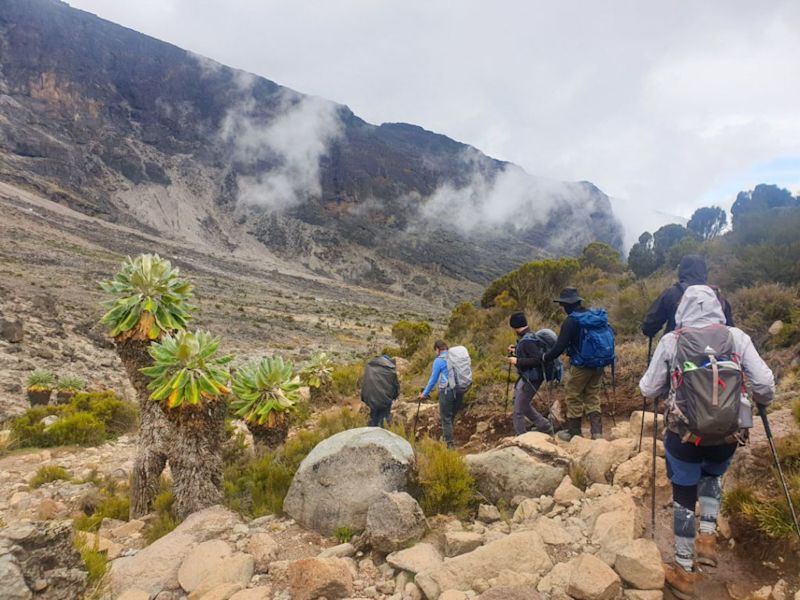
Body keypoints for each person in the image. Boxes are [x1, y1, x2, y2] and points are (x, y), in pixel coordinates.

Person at [639, 285, 774, 600]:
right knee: (713, 475)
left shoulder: (673, 341)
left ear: (682, 309)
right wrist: (762, 400)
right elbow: (765, 383)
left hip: (685, 437)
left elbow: (648, 388)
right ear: (716, 306)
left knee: (684, 496)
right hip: (728, 434)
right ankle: (708, 541)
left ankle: (684, 571)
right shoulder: (736, 337)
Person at [542, 287, 606, 440]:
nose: (562, 308)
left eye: (563, 305)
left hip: (581, 365)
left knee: (573, 395)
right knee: (593, 395)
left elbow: (559, 346)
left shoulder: (571, 321)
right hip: (599, 363)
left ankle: (574, 432)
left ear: (567, 305)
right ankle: (597, 433)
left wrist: (545, 357)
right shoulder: (592, 316)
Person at [641, 254, 734, 338]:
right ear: (705, 273)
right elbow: (730, 331)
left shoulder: (671, 294)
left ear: (681, 272)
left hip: (679, 353)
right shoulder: (717, 297)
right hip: (716, 354)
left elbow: (649, 327)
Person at [506, 311, 555, 436]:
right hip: (529, 377)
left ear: (515, 327)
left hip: (532, 378)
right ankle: (545, 426)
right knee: (522, 404)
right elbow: (530, 353)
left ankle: (521, 437)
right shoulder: (529, 336)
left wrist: (517, 360)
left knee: (518, 410)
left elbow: (538, 359)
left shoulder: (527, 341)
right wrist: (515, 350)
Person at [418, 340, 462, 448]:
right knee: (451, 416)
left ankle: (450, 446)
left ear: (437, 349)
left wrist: (424, 394)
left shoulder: (439, 360)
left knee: (446, 418)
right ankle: (446, 438)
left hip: (447, 392)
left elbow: (433, 380)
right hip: (460, 390)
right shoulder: (455, 357)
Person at [360, 354, 399, 428]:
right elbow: (395, 385)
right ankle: (380, 435)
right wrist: (395, 396)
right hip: (385, 399)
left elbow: (365, 382)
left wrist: (364, 397)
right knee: (383, 419)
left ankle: (370, 435)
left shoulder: (370, 366)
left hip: (371, 398)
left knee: (373, 418)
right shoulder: (390, 368)